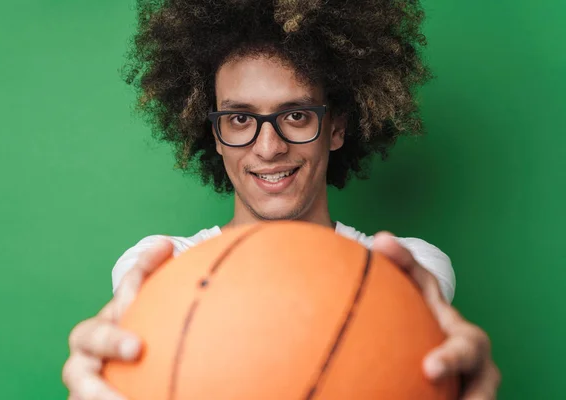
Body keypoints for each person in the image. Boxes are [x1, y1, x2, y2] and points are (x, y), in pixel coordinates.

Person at [62, 1, 501, 399]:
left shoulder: (405, 267)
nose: (268, 147)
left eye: (295, 115)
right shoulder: (159, 266)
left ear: (336, 129)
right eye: (239, 118)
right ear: (215, 134)